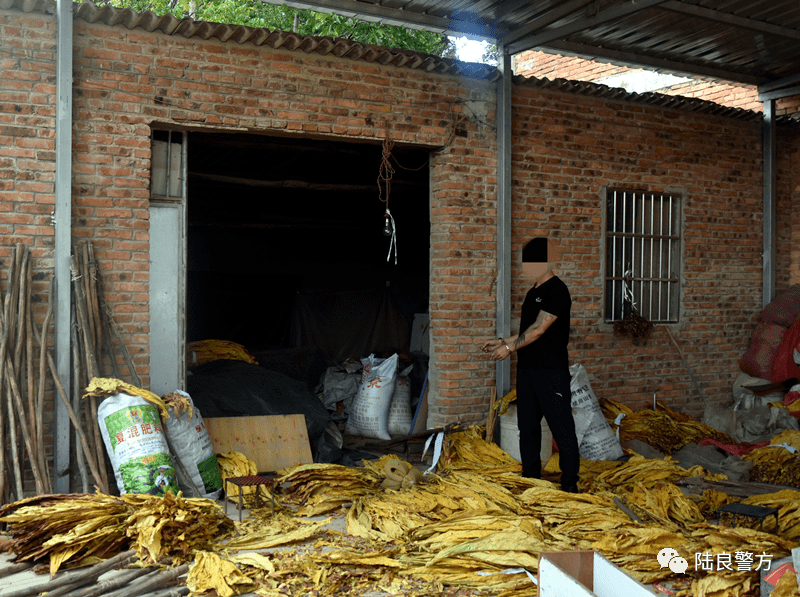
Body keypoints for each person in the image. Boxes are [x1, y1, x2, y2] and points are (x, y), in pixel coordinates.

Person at [481, 237, 580, 493]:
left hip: (551, 372)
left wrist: (509, 349)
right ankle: (531, 479)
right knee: (528, 428)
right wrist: (502, 341)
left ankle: (569, 485)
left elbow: (538, 330)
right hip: (527, 371)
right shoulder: (533, 292)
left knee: (561, 428)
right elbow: (527, 330)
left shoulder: (558, 291)